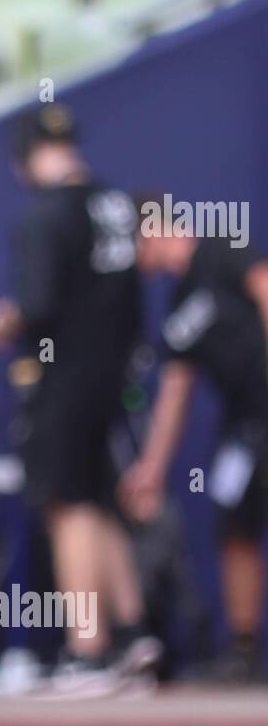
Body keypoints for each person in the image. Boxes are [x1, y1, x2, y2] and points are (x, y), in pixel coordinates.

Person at [0, 104, 156, 693]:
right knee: (100, 501)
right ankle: (133, 637)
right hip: (113, 375)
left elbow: (37, 303)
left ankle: (89, 651)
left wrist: (7, 320)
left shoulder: (44, 216)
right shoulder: (113, 204)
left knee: (67, 503)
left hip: (66, 377)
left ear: (25, 159)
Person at [119, 220, 268, 685]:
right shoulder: (179, 304)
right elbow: (175, 390)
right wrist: (151, 469)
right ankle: (243, 651)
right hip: (244, 423)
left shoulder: (223, 248)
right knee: (234, 522)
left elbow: (265, 288)